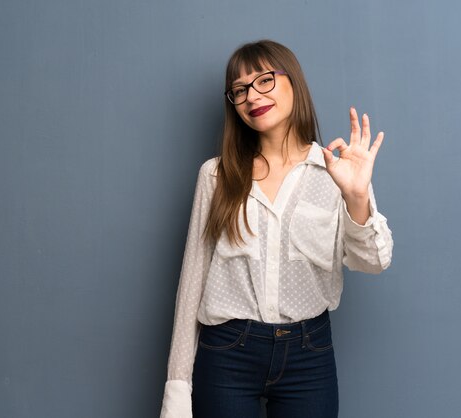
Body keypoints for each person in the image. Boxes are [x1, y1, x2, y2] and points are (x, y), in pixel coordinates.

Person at [159, 40, 393, 418]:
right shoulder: (215, 176)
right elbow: (192, 286)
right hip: (227, 354)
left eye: (264, 80)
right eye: (240, 90)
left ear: (293, 83)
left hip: (309, 354)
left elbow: (374, 262)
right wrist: (177, 388)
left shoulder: (338, 171)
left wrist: (357, 197)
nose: (252, 96)